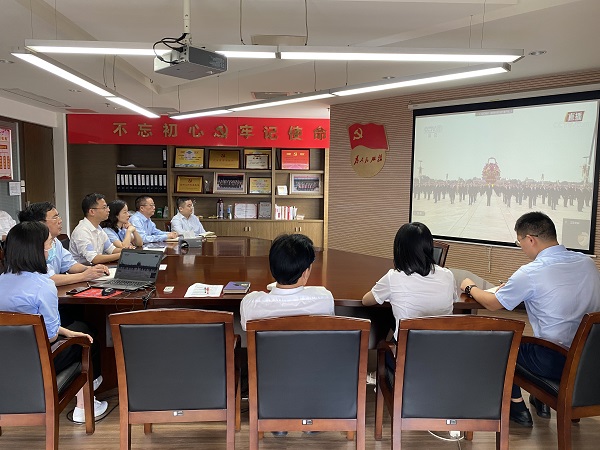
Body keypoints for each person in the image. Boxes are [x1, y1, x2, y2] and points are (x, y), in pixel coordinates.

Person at [460, 211, 600, 427]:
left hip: (555, 361)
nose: (521, 248)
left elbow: (493, 304)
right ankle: (540, 400)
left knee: (499, 344)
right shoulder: (587, 263)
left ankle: (518, 408)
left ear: (530, 239)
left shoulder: (531, 272)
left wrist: (470, 287)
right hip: (590, 360)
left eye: (520, 242)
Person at [0, 222, 108, 423]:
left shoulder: (1, 280)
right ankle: (84, 406)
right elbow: (49, 337)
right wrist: (65, 334)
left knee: (77, 330)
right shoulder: (44, 286)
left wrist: (66, 331)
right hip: (37, 362)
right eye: (49, 243)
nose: (52, 248)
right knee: (86, 338)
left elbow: (17, 323)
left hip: (6, 360)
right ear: (37, 249)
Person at [362, 222, 457, 341]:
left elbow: (366, 301)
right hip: (444, 346)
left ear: (399, 250)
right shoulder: (448, 275)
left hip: (408, 349)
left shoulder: (394, 277)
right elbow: (454, 299)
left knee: (387, 319)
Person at [240, 233, 335, 331]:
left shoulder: (249, 303)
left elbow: (245, 327)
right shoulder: (325, 299)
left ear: (272, 267)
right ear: (305, 273)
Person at [18, 202, 109, 286]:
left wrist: (90, 269)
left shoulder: (55, 241)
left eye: (59, 216)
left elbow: (70, 265)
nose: (60, 221)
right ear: (40, 224)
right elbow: (48, 279)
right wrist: (84, 276)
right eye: (55, 218)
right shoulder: (28, 247)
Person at [70, 193, 122, 264]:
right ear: (92, 212)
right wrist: (122, 255)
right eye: (104, 207)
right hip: (83, 269)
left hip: (96, 268)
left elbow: (111, 249)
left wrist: (128, 251)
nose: (108, 210)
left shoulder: (98, 228)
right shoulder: (82, 232)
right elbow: (94, 259)